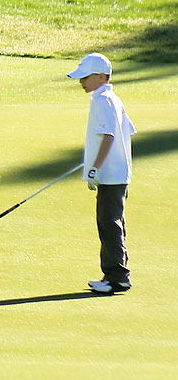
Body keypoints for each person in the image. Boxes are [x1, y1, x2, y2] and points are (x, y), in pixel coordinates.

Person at [67, 53, 136, 295]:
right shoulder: (111, 98)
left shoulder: (103, 100)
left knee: (109, 223)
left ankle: (116, 277)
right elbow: (127, 130)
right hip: (117, 174)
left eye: (85, 77)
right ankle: (118, 274)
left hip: (111, 175)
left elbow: (109, 136)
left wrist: (95, 166)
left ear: (100, 76)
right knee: (113, 222)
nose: (81, 81)